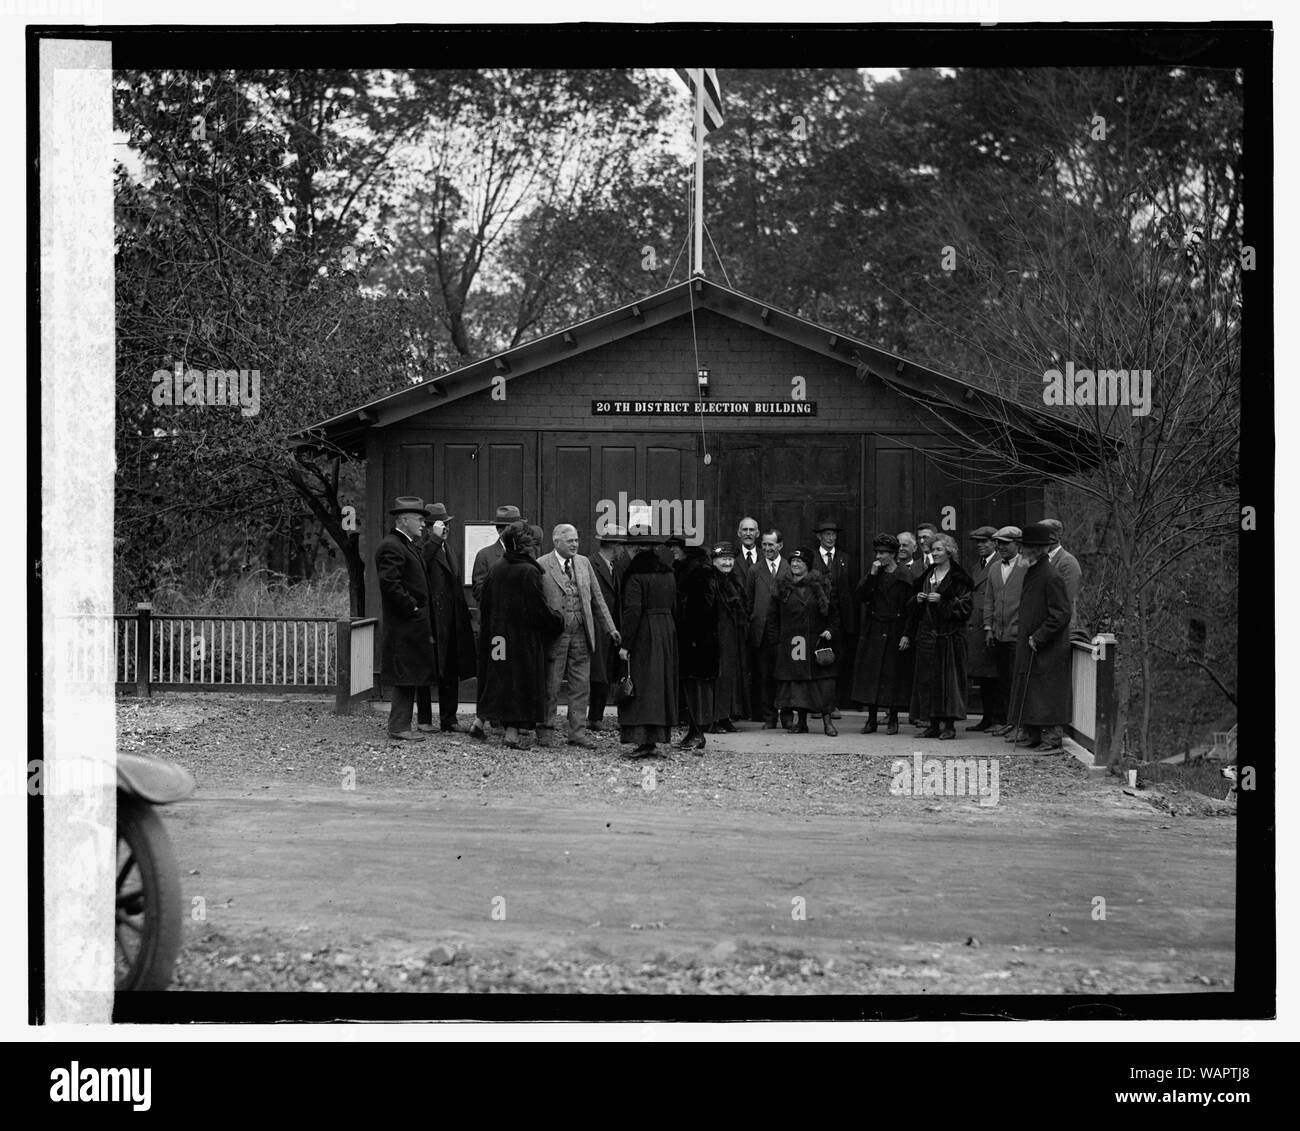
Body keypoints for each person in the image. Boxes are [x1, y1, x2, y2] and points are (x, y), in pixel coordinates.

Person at [475, 522, 564, 750]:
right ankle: (512, 736)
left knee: (496, 678)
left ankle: (479, 721)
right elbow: (538, 610)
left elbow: (485, 602)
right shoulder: (529, 571)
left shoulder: (497, 567)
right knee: (519, 684)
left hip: (497, 638)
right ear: (526, 545)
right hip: (521, 642)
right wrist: (557, 619)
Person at [536, 524, 619, 748]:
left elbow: (597, 597)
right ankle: (545, 730)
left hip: (582, 633)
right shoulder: (543, 564)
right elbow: (537, 603)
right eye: (570, 540)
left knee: (581, 685)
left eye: (576, 540)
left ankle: (577, 732)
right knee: (551, 684)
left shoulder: (584, 563)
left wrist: (610, 628)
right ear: (556, 542)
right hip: (556, 635)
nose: (575, 544)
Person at [374, 496, 436, 742]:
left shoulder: (405, 544)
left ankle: (401, 725)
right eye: (419, 520)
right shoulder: (393, 546)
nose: (423, 524)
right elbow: (390, 584)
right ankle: (399, 727)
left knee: (409, 675)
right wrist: (412, 608)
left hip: (410, 625)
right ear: (404, 520)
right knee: (405, 675)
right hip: (404, 626)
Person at [1005, 524, 1072, 753]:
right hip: (1031, 643)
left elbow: (1062, 613)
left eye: (1025, 547)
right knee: (1032, 690)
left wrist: (1040, 636)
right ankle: (1034, 734)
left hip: (1046, 647)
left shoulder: (1050, 576)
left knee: (1046, 693)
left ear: (1037, 549)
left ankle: (1052, 738)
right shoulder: (1034, 571)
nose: (1021, 551)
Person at [901, 533, 973, 740]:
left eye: (939, 550)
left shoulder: (960, 577)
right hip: (928, 636)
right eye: (933, 550)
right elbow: (910, 607)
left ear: (949, 551)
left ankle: (949, 725)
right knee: (927, 680)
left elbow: (966, 608)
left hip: (949, 637)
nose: (935, 553)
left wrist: (943, 600)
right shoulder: (926, 575)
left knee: (948, 682)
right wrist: (918, 598)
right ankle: (932, 724)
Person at [413, 503, 477, 733]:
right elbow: (419, 567)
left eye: (447, 524)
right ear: (430, 527)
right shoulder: (423, 546)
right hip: (431, 620)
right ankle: (424, 719)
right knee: (427, 670)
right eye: (441, 524)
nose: (446, 528)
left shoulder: (447, 548)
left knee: (451, 669)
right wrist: (435, 540)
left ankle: (449, 718)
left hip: (451, 620)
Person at [765, 546, 840, 736]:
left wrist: (830, 630)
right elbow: (772, 617)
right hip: (793, 644)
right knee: (798, 685)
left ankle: (828, 723)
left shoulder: (821, 586)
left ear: (808, 565)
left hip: (817, 643)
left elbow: (834, 614)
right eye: (793, 562)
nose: (795, 564)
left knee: (822, 685)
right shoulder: (782, 587)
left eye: (800, 562)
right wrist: (777, 642)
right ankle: (801, 723)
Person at [617, 532, 678, 758]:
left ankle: (643, 740)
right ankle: (657, 737)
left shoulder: (635, 575)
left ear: (637, 550)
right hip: (666, 629)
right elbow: (674, 605)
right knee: (660, 685)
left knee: (642, 684)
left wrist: (625, 644)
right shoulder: (668, 573)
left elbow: (633, 611)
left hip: (644, 631)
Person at [851, 534, 914, 735]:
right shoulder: (874, 575)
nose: (880, 556)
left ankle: (893, 718)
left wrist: (906, 634)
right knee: (871, 675)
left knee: (892, 675)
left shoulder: (905, 577)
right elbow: (859, 596)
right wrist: (871, 575)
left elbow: (911, 610)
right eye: (878, 552)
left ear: (894, 555)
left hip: (895, 629)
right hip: (874, 629)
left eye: (884, 553)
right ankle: (871, 719)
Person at [666, 537, 718, 751]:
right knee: (689, 686)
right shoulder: (683, 568)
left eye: (676, 547)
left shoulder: (701, 571)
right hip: (688, 637)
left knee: (696, 687)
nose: (673, 550)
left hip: (698, 639)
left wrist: (694, 634)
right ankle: (693, 731)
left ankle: (698, 732)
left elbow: (705, 607)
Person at [983, 526, 1027, 737]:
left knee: (1015, 680)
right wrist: (988, 627)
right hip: (998, 633)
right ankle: (1006, 721)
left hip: (1017, 634)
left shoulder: (1026, 566)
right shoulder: (994, 568)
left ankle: (1017, 722)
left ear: (1017, 544)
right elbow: (989, 599)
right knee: (1002, 680)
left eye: (1005, 543)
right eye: (998, 543)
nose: (1001, 547)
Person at [748, 529, 793, 729]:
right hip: (763, 632)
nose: (766, 548)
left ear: (780, 546)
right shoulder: (755, 571)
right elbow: (749, 601)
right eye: (764, 545)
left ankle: (787, 716)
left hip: (786, 632)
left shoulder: (790, 568)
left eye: (771, 545)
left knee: (785, 675)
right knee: (765, 676)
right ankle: (769, 717)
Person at [585, 525, 627, 733]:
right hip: (597, 628)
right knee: (598, 674)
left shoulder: (611, 567)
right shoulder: (590, 565)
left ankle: (596, 716)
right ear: (615, 545)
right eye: (621, 546)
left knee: (605, 672)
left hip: (609, 629)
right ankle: (594, 717)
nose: (623, 551)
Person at [813, 516, 856, 719]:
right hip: (819, 618)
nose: (831, 538)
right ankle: (816, 705)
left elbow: (851, 590)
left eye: (833, 534)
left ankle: (833, 704)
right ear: (819, 537)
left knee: (837, 661)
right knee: (817, 660)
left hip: (841, 620)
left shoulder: (845, 559)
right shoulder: (812, 558)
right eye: (827, 534)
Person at [709, 542, 751, 732]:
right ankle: (714, 718)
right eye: (723, 559)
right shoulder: (711, 580)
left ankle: (725, 716)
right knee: (718, 676)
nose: (727, 563)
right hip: (716, 635)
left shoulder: (734, 580)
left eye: (730, 559)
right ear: (715, 561)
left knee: (730, 676)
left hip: (732, 635)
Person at [964, 525, 1001, 731]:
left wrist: (990, 626)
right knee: (984, 677)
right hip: (976, 626)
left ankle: (996, 718)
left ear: (994, 542)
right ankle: (988, 718)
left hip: (989, 626)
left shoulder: (998, 564)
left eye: (984, 541)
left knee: (993, 675)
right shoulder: (976, 566)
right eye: (978, 542)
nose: (980, 545)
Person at [1038, 517, 1087, 642]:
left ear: (1054, 536)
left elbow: (1067, 600)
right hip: (1042, 628)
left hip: (1059, 629)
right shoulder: (1041, 560)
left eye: (1041, 535)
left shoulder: (1067, 562)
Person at [471, 504, 523, 606]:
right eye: (513, 529)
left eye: (519, 529)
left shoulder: (525, 554)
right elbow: (478, 591)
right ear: (500, 531)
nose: (518, 533)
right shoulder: (484, 555)